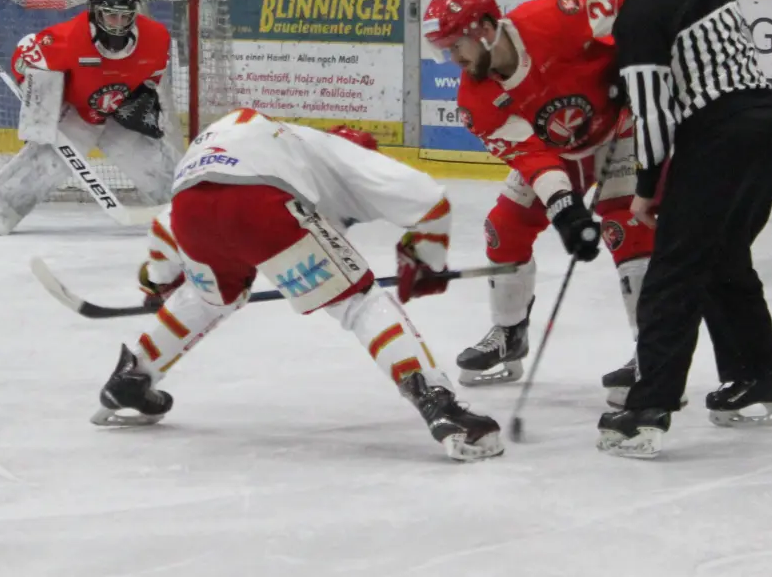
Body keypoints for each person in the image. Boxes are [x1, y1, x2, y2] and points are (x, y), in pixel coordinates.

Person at [92, 111, 502, 462]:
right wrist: (426, 260)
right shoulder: (342, 154)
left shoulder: (268, 141)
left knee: (207, 297)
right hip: (262, 205)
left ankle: (133, 377)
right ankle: (437, 402)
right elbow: (431, 199)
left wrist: (161, 284)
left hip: (190, 210)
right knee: (358, 302)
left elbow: (168, 222)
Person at [586, 0, 772, 459]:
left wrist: (647, 190)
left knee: (672, 274)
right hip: (769, 133)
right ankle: (759, 379)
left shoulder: (642, 12)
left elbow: (652, 114)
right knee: (724, 259)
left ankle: (648, 408)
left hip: (720, 141)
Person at [424, 0, 652, 398]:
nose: (452, 58)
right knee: (503, 228)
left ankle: (654, 353)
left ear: (485, 30)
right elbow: (535, 159)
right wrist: (566, 210)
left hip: (622, 126)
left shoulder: (553, 17)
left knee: (627, 228)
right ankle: (510, 332)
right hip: (560, 150)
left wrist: (635, 58)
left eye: (455, 45)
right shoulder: (476, 101)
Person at [0, 0, 174, 236]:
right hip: (76, 111)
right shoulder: (68, 38)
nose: (118, 23)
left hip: (119, 109)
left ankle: (187, 211)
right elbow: (25, 52)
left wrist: (142, 98)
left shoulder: (156, 37)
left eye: (125, 16)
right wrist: (39, 100)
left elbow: (152, 76)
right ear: (96, 14)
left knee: (152, 162)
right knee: (45, 163)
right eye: (111, 15)